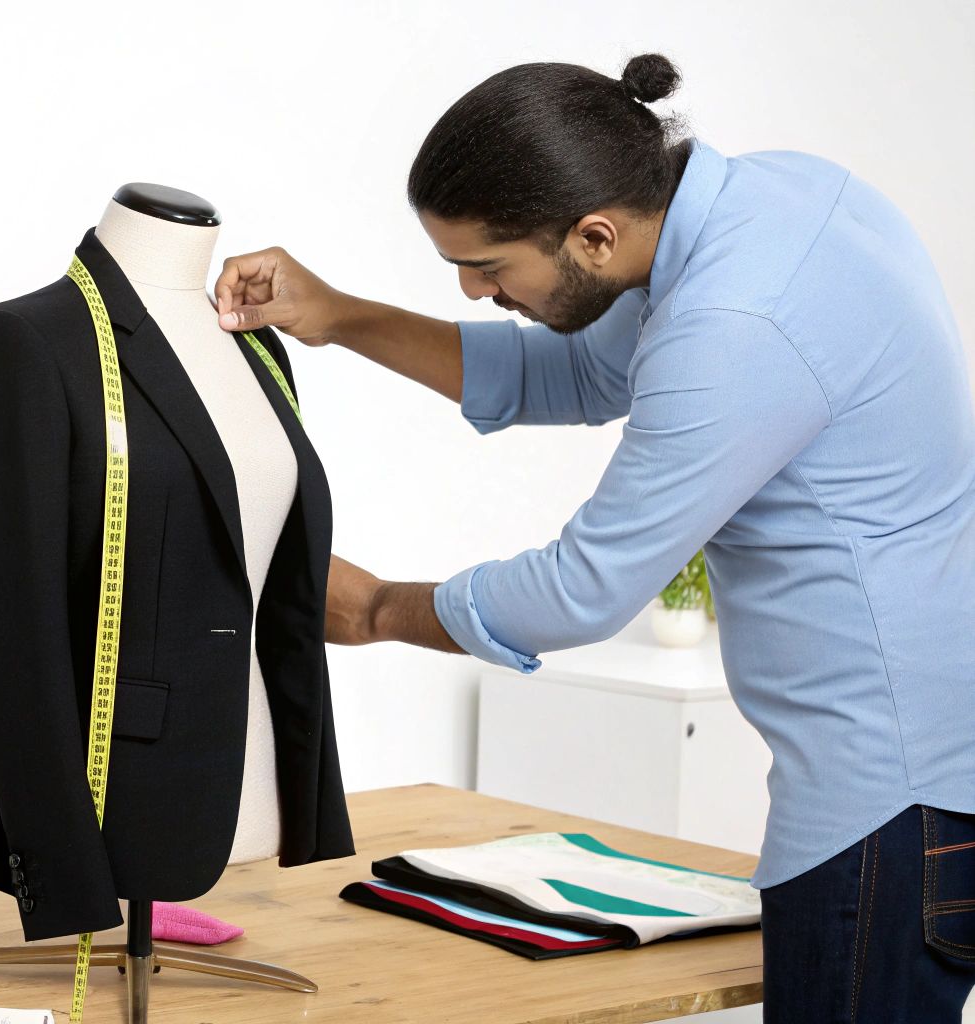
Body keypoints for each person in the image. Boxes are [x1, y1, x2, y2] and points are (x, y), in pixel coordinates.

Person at [213, 53, 975, 1023]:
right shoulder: (775, 201)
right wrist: (335, 315)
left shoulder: (736, 322)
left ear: (592, 234)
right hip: (926, 774)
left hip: (884, 806)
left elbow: (583, 588)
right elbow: (570, 376)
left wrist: (369, 610)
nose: (475, 291)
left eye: (487, 268)